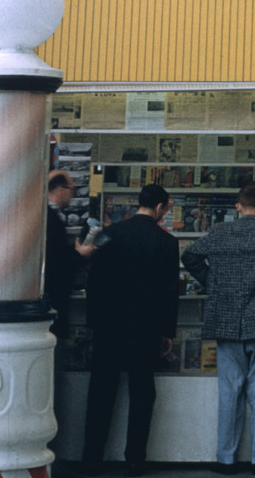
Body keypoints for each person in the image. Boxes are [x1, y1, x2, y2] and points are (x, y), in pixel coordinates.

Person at [182, 182, 255, 476]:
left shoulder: (220, 232)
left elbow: (190, 256)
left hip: (225, 318)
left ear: (238, 207)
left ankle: (226, 458)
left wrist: (214, 283)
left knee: (229, 390)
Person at [81, 183, 179, 478]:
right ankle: (135, 460)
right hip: (145, 329)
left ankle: (91, 459)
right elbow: (169, 292)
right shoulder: (167, 243)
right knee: (141, 395)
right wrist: (167, 332)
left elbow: (94, 282)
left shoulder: (111, 234)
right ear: (160, 208)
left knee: (100, 394)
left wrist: (93, 323)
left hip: (109, 327)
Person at [46, 170, 95, 465]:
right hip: (53, 313)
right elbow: (56, 267)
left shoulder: (48, 218)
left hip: (51, 311)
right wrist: (80, 256)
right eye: (71, 190)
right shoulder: (50, 219)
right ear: (59, 189)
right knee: (51, 387)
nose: (73, 196)